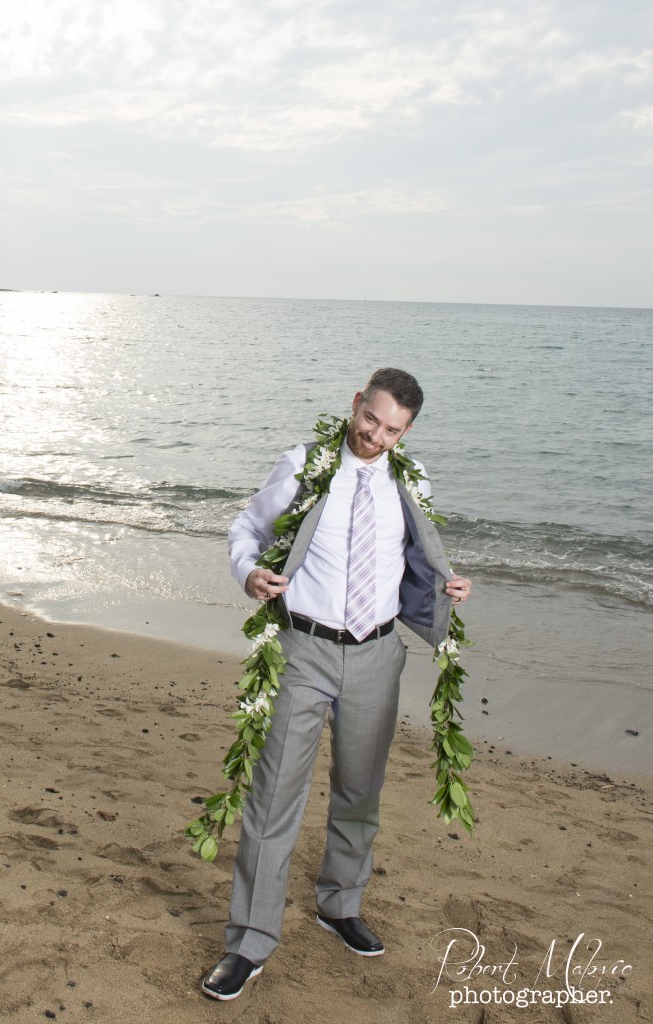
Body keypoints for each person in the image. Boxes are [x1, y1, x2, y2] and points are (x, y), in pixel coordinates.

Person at [202, 367, 472, 1000]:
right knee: (272, 798)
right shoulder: (304, 464)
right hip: (303, 650)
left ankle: (339, 904)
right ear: (356, 404)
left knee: (359, 791)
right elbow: (247, 528)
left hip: (378, 655)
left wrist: (449, 588)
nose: (375, 436)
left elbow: (417, 561)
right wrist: (248, 573)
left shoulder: (412, 481)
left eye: (392, 430)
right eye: (370, 420)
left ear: (407, 432)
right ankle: (248, 941)